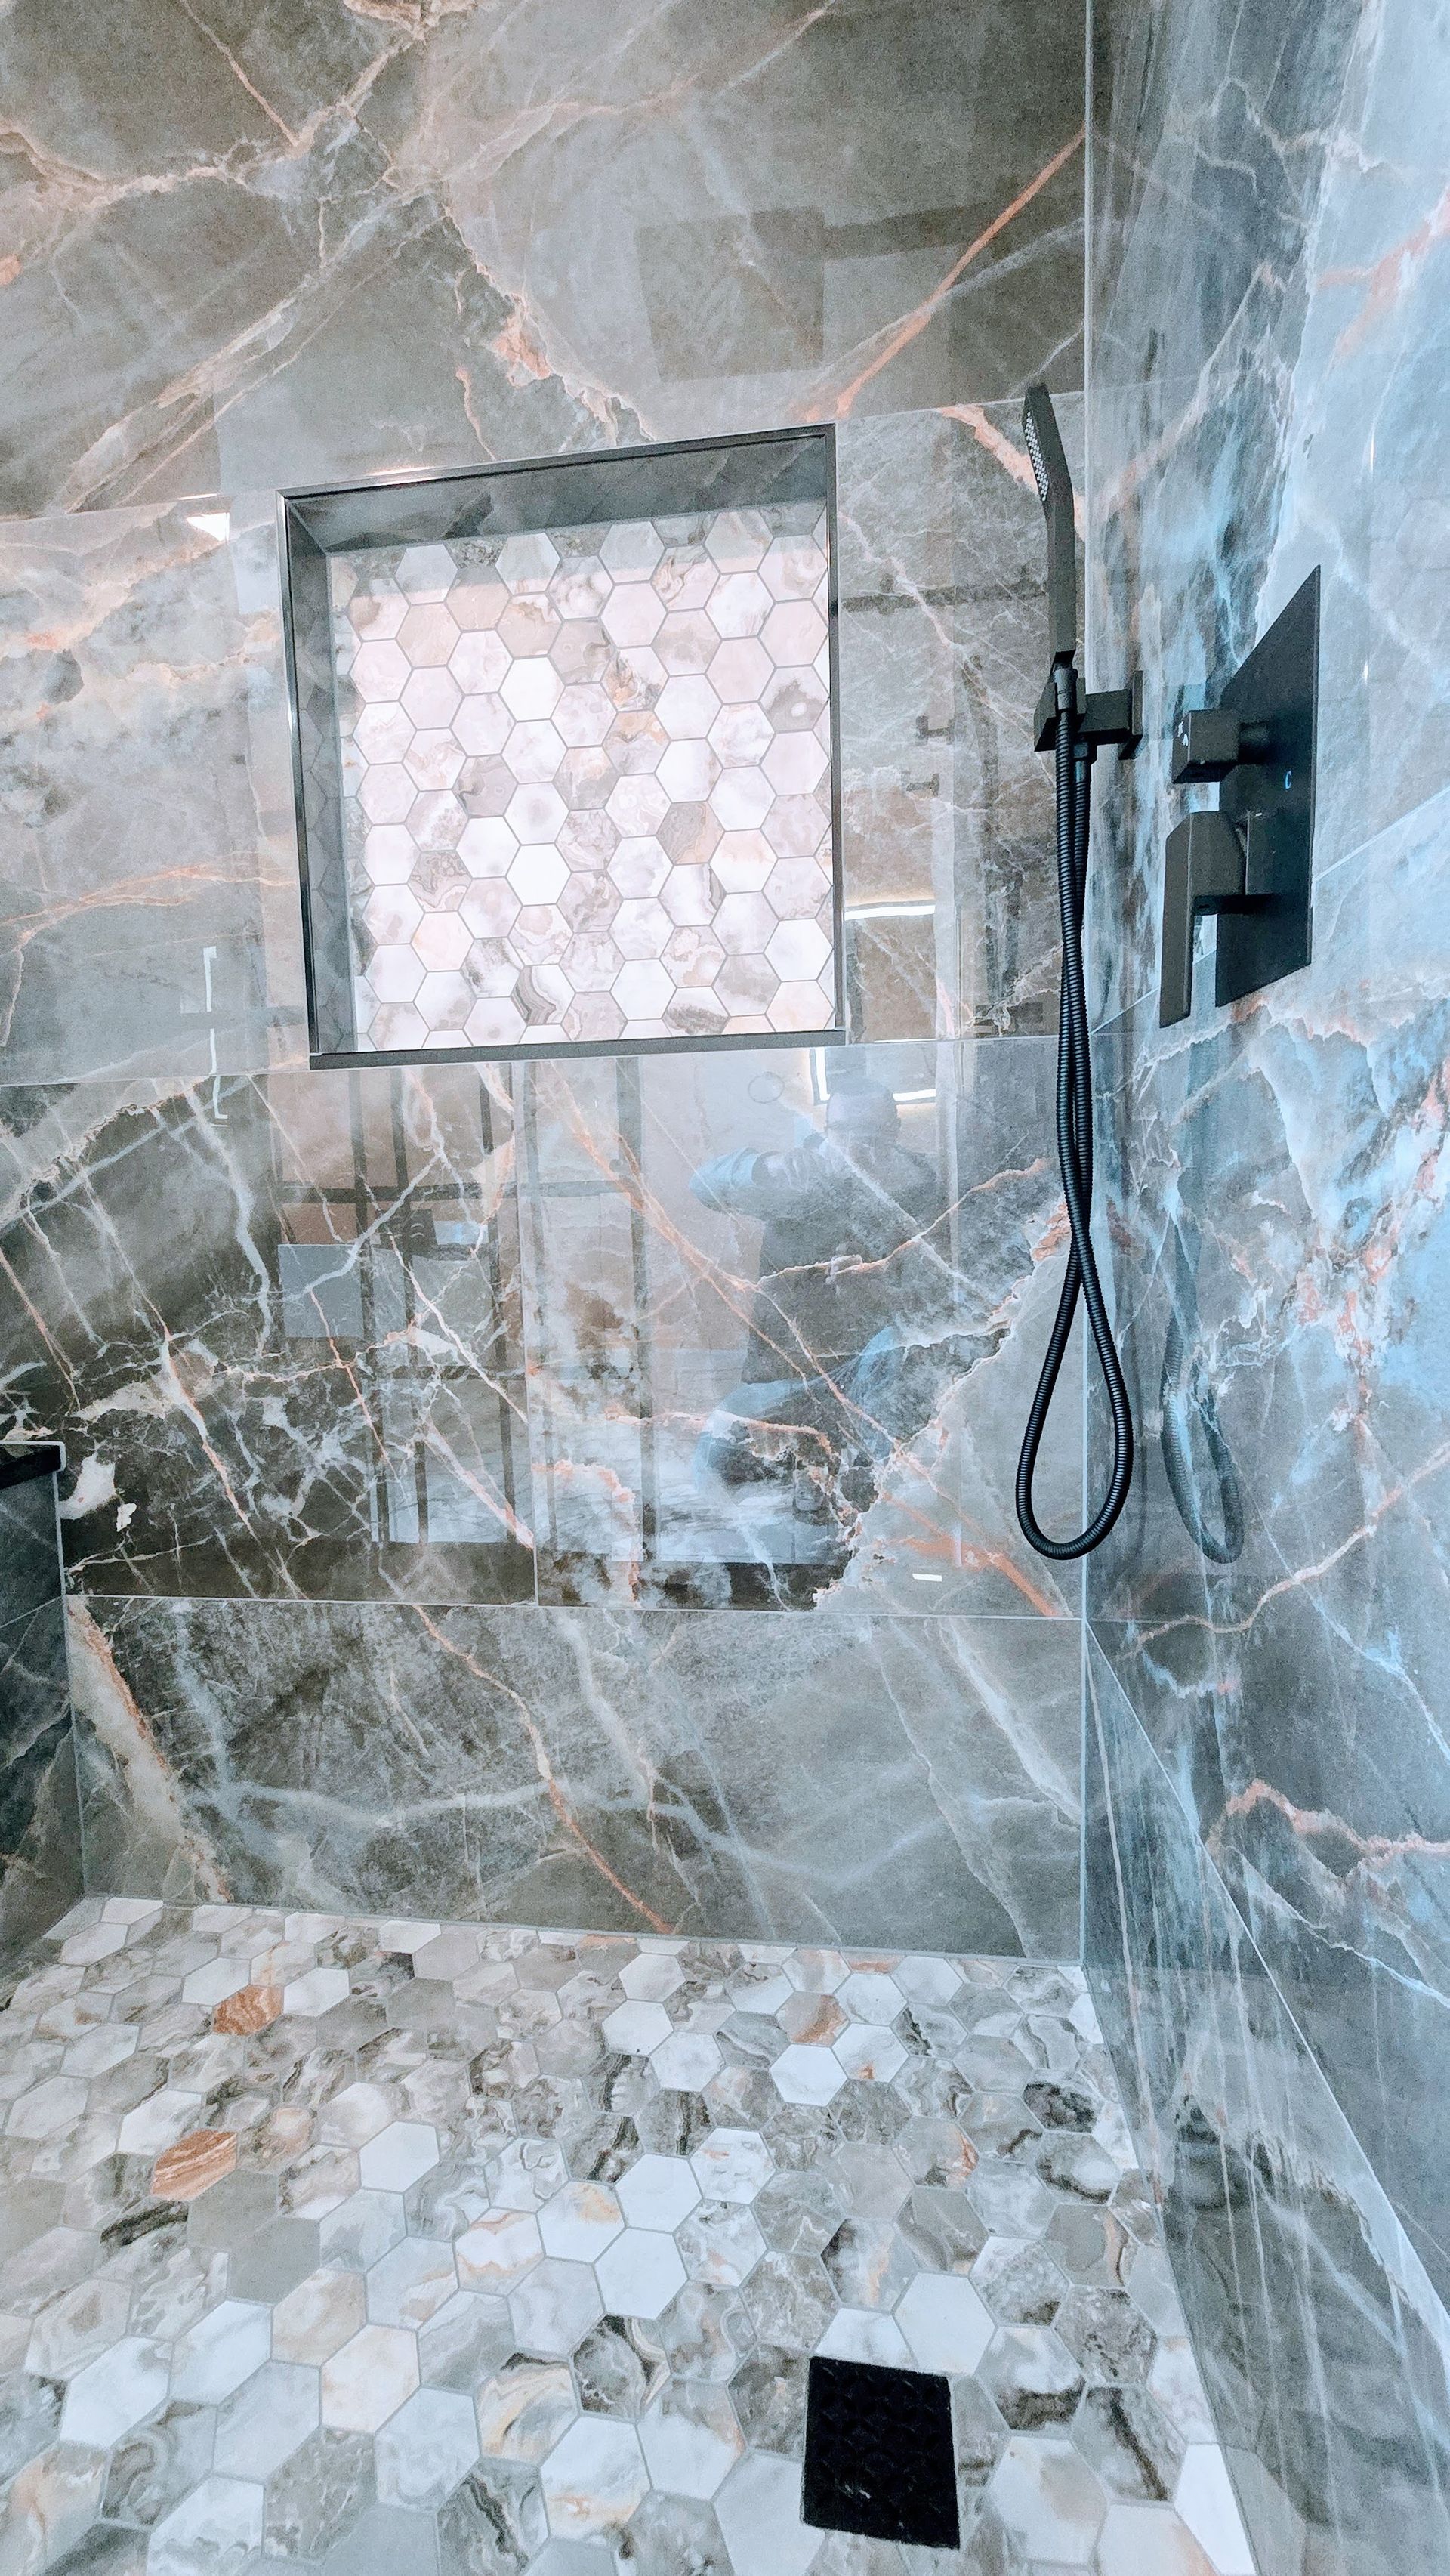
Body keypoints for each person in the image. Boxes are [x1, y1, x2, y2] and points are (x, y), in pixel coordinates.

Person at [689, 1080, 944, 1522]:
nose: (856, 1144)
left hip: (871, 1372)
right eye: (843, 1130)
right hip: (789, 1373)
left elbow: (937, 1293)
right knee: (708, 1471)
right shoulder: (799, 1177)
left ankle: (859, 1475)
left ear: (894, 1130)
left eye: (872, 1133)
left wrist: (881, 1293)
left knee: (893, 1349)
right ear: (827, 1129)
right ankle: (815, 1452)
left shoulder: (921, 1187)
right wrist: (767, 1167)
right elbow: (703, 1185)